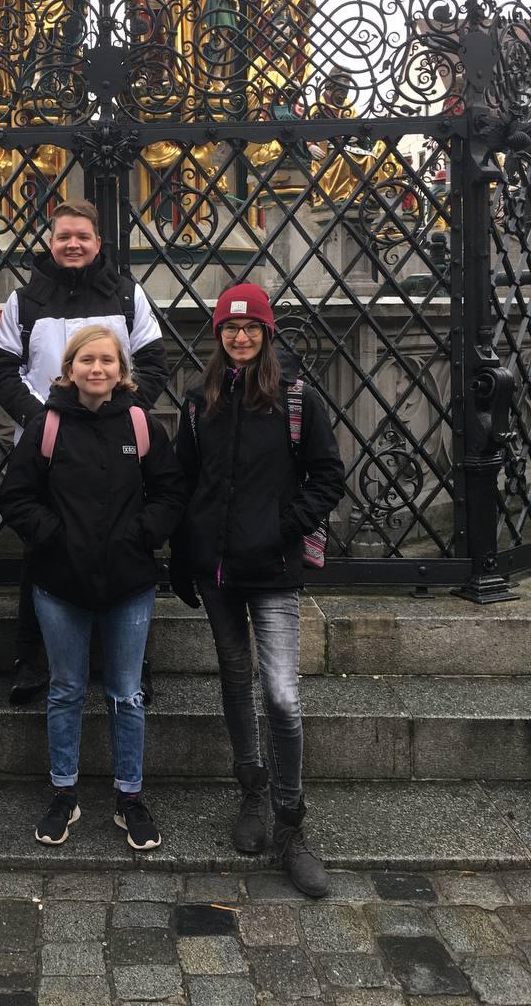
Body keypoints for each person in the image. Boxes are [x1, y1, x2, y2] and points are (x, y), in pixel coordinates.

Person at [170, 282, 345, 896]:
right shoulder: (200, 402)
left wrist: (284, 526)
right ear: (218, 334)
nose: (240, 337)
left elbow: (328, 476)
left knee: (282, 696)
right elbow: (185, 480)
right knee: (234, 678)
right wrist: (183, 554)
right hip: (217, 570)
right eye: (230, 328)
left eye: (250, 328)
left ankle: (291, 820)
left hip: (271, 567)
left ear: (267, 334)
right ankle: (252, 788)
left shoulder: (296, 399)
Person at [0, 326, 186, 850]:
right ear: (70, 369)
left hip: (128, 583)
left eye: (106, 360)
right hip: (60, 583)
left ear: (121, 370)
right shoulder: (47, 425)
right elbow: (16, 496)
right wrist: (52, 537)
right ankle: (64, 792)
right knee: (65, 690)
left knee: (126, 693)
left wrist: (142, 535)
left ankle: (130, 796)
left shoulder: (141, 423)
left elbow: (170, 492)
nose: (97, 369)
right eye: (87, 360)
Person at [0, 199, 170, 703]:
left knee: (121, 545)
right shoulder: (24, 300)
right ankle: (31, 660)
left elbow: (153, 362)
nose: (73, 245)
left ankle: (131, 663)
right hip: (47, 446)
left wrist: (124, 414)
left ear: (97, 243)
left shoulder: (127, 294)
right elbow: (2, 369)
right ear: (51, 242)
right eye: (64, 236)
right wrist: (39, 418)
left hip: (116, 442)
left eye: (82, 237)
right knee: (41, 547)